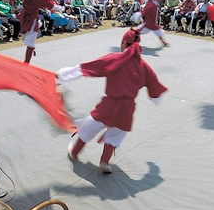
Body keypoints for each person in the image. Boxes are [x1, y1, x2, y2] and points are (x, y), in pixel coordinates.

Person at [58, 28, 168, 174]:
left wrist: (62, 75)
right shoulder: (144, 66)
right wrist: (156, 99)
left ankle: (74, 152)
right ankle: (104, 162)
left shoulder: (115, 59)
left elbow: (90, 67)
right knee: (115, 136)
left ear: (123, 43)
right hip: (127, 109)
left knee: (88, 129)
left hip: (109, 106)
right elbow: (154, 86)